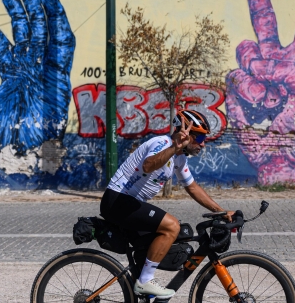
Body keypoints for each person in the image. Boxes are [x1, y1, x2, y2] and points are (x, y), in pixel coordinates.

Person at [100, 109, 234, 299]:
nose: (202, 144)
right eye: (199, 138)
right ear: (184, 134)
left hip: (129, 203)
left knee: (151, 248)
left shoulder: (179, 157)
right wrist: (174, 146)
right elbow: (148, 165)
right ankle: (145, 281)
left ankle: (144, 286)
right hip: (117, 201)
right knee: (171, 226)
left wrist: (220, 212)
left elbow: (192, 187)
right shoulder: (162, 143)